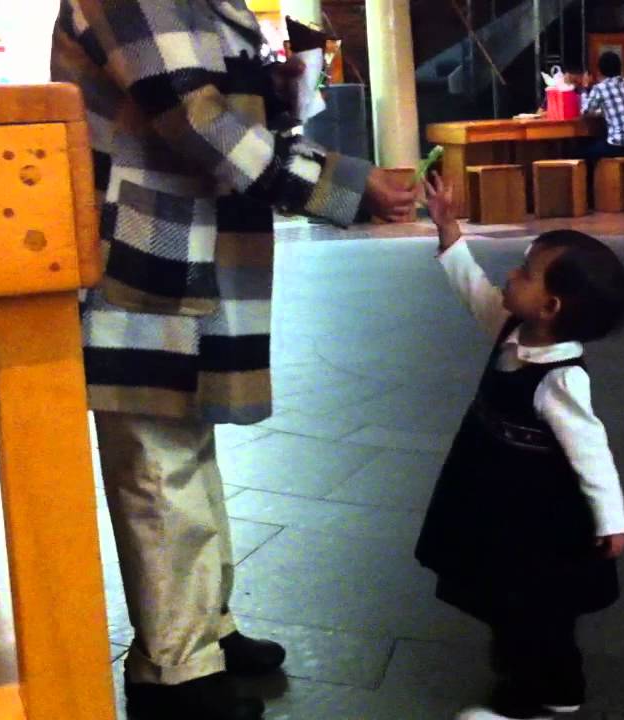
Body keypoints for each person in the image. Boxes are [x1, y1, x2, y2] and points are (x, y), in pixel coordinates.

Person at [50, 2, 417, 719]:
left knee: (186, 444)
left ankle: (203, 632)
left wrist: (274, 90)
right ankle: (175, 672)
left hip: (185, 246)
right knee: (157, 461)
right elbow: (194, 114)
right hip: (144, 253)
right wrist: (338, 183)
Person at [416, 171, 624, 720]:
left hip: (537, 518)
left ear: (553, 307)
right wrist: (448, 231)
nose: (510, 276)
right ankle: (527, 670)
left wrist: (611, 519)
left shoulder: (562, 377)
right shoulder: (514, 327)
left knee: (540, 606)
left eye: (525, 272)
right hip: (498, 498)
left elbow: (591, 449)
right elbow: (474, 291)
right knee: (509, 595)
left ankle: (548, 694)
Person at [579, 52, 624, 162]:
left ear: (600, 71)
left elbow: (585, 111)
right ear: (620, 68)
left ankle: (593, 179)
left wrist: (585, 88)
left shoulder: (600, 88)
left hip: (619, 145)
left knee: (583, 153)